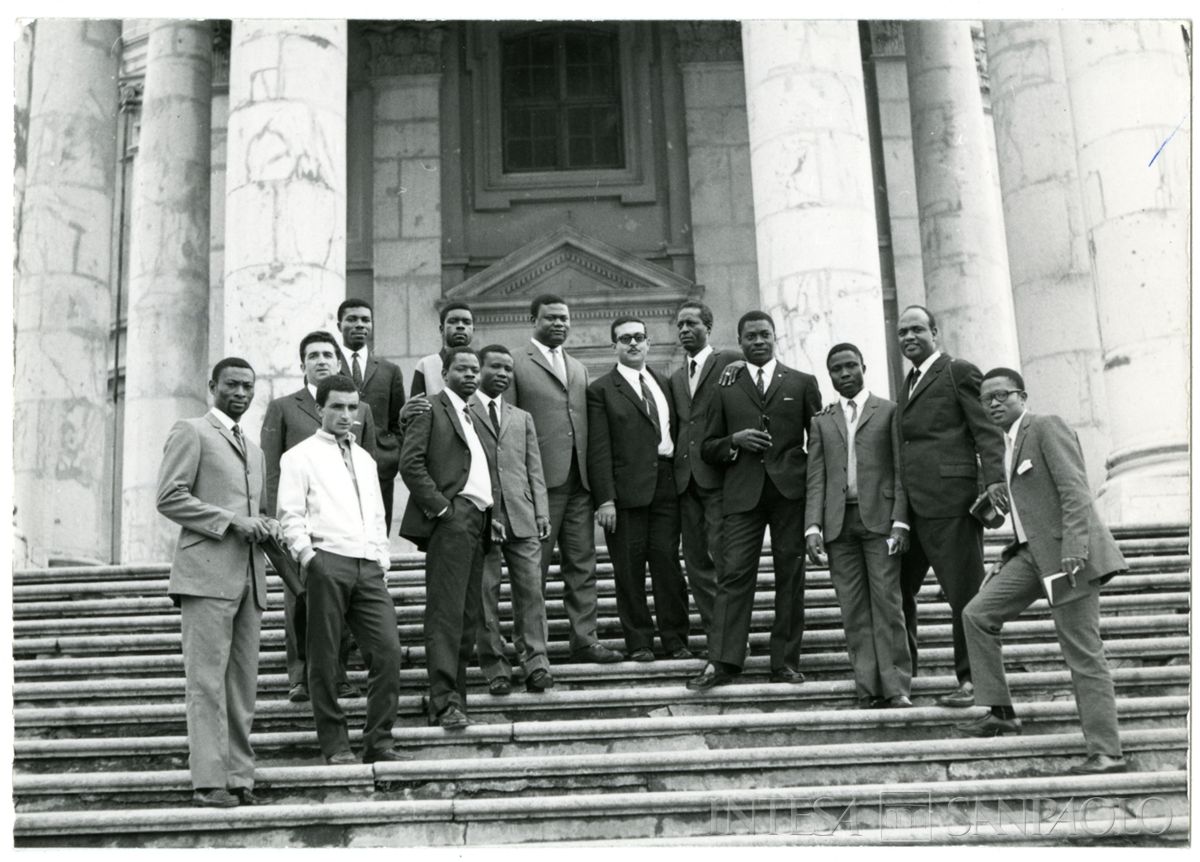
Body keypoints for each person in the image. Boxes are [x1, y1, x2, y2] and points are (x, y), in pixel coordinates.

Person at [956, 369, 1128, 775]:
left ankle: (1107, 752)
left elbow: (1074, 490)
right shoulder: (1006, 444)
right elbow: (1030, 512)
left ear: (1022, 396)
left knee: (1082, 652)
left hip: (1068, 559)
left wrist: (1075, 549)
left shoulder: (1046, 426)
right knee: (977, 614)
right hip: (1030, 556)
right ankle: (1000, 712)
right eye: (986, 399)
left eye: (1002, 395)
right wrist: (1008, 553)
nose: (994, 403)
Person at [156, 357, 278, 808]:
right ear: (213, 386)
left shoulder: (256, 449)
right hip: (205, 576)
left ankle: (239, 778)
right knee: (206, 682)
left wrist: (266, 523)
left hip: (250, 578)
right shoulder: (191, 431)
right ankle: (209, 781)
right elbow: (169, 497)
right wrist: (232, 521)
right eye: (232, 385)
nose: (241, 393)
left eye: (248, 386)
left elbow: (254, 511)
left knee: (242, 686)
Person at [688, 311, 821, 690]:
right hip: (742, 493)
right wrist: (734, 441)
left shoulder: (802, 382)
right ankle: (723, 661)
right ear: (740, 342)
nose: (758, 341)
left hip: (790, 494)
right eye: (750, 336)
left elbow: (819, 442)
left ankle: (785, 662)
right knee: (733, 576)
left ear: (775, 337)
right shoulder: (724, 388)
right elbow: (708, 447)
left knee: (790, 576)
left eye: (764, 334)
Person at [277, 374, 406, 765]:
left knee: (388, 652)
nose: (346, 415)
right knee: (325, 658)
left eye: (352, 407)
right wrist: (309, 558)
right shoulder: (299, 456)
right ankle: (335, 745)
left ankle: (378, 741)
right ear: (320, 409)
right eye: (337, 406)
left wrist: (381, 559)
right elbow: (290, 515)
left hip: (368, 567)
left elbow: (377, 514)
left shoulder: (365, 459)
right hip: (326, 561)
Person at [895, 305, 1006, 708]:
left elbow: (986, 429)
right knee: (897, 591)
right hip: (913, 509)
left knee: (965, 594)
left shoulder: (958, 371)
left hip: (953, 503)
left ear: (935, 333)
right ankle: (900, 676)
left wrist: (994, 480)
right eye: (902, 332)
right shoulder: (909, 381)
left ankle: (974, 682)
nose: (909, 337)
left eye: (917, 329)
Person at [261, 330, 377, 703]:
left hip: (344, 529)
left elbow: (367, 470)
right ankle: (300, 675)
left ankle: (336, 674)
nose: (321, 360)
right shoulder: (283, 407)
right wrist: (275, 519)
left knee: (340, 602)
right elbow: (271, 467)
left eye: (328, 354)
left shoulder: (360, 410)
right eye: (313, 355)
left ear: (339, 362)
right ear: (303, 365)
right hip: (298, 523)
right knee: (299, 600)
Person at [508, 294, 623, 664]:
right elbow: (509, 429)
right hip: (538, 488)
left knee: (582, 565)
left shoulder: (578, 367)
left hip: (579, 484)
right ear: (533, 320)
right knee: (532, 572)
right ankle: (531, 650)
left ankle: (585, 640)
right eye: (551, 317)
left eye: (564, 318)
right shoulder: (515, 363)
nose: (559, 323)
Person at [804, 343, 912, 708]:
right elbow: (815, 477)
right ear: (829, 375)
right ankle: (868, 688)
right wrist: (812, 526)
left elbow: (900, 469)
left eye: (851, 366)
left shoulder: (889, 411)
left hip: (881, 522)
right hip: (838, 526)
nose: (845, 373)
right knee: (852, 609)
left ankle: (896, 687)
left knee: (888, 605)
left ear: (864, 367)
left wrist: (900, 521)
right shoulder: (821, 420)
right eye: (837, 369)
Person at [399, 346, 499, 728]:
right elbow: (411, 464)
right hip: (453, 519)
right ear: (444, 374)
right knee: (446, 613)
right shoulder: (430, 409)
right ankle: (443, 702)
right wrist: (442, 509)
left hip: (479, 522)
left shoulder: (472, 415)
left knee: (467, 616)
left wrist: (491, 514)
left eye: (475, 369)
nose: (471, 374)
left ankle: (457, 700)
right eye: (462, 369)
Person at [588, 317, 691, 660]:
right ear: (614, 346)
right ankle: (640, 642)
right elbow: (598, 449)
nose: (632, 343)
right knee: (629, 570)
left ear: (648, 343)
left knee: (668, 565)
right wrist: (605, 499)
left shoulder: (664, 382)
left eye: (638, 337)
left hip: (666, 485)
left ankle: (676, 640)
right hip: (625, 493)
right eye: (624, 339)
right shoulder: (601, 390)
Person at [470, 345, 555, 694]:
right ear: (479, 370)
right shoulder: (464, 411)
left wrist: (541, 511)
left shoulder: (521, 417)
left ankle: (536, 663)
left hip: (522, 515)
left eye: (508, 369)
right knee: (485, 595)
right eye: (496, 367)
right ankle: (495, 667)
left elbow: (534, 468)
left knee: (531, 591)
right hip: (482, 518)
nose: (503, 374)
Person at [669, 300, 743, 643]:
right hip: (685, 481)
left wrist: (742, 362)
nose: (684, 330)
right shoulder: (675, 377)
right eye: (680, 325)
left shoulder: (729, 361)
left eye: (691, 324)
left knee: (724, 560)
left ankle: (733, 636)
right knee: (696, 563)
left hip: (719, 476)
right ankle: (717, 637)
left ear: (708, 328)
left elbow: (763, 371)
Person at [334, 299, 407, 531]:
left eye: (365, 320)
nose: (360, 324)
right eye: (352, 319)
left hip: (380, 466)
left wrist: (392, 455)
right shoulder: (329, 366)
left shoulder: (389, 370)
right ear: (339, 325)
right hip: (335, 465)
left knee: (377, 532)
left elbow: (398, 422)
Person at [410, 301, 475, 398]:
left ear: (473, 330)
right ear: (441, 329)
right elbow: (417, 405)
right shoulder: (426, 365)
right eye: (453, 321)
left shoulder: (483, 366)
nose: (460, 326)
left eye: (466, 322)